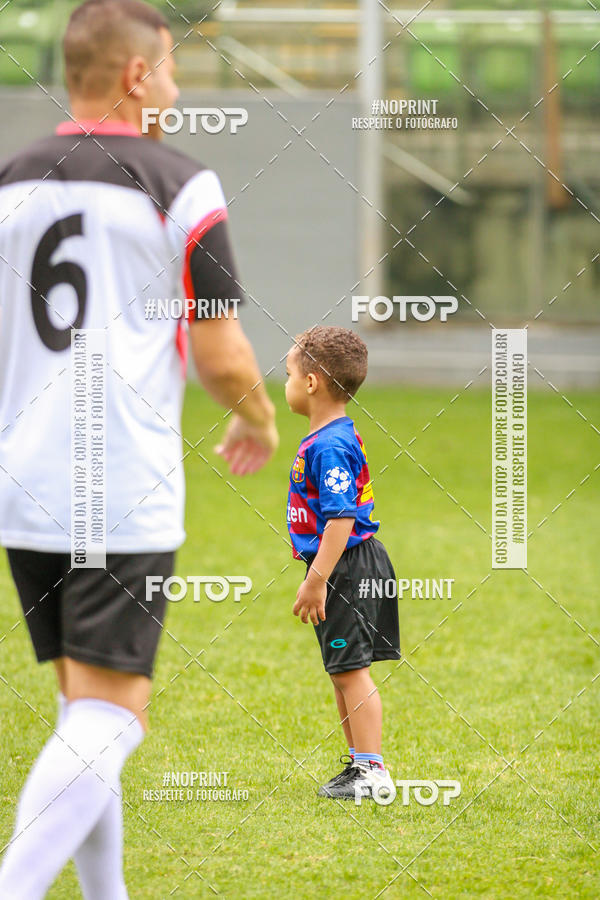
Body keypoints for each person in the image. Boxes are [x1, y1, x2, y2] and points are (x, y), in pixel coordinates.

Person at [0, 1, 278, 896]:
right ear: (134, 74)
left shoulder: (8, 182)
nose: (178, 86)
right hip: (118, 483)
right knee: (113, 719)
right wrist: (260, 418)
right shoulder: (180, 182)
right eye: (170, 68)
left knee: (84, 710)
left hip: (26, 483)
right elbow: (220, 353)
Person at [285, 326, 399, 801]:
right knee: (343, 668)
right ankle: (359, 767)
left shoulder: (329, 445)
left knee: (352, 671)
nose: (284, 381)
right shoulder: (328, 436)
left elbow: (339, 518)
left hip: (347, 566)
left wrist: (316, 581)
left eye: (289, 373)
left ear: (311, 382)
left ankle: (373, 772)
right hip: (348, 564)